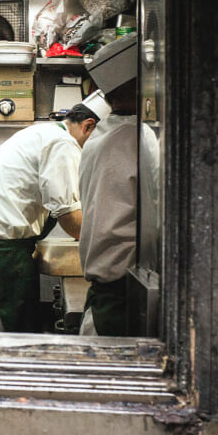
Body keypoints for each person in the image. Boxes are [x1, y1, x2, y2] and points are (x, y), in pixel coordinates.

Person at [0, 99, 104, 332]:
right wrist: (104, 245)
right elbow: (70, 219)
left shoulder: (43, 133)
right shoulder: (62, 144)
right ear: (89, 126)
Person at [78, 35, 157, 336]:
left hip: (114, 291)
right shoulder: (131, 137)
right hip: (120, 295)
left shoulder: (105, 134)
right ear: (139, 86)